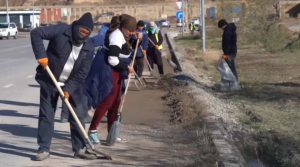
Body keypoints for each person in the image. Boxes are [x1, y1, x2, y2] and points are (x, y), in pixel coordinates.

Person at [31, 12, 97, 161]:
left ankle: (79, 148)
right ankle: (43, 149)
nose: (83, 35)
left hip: (72, 84)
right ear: (76, 27)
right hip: (50, 80)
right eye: (81, 31)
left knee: (78, 115)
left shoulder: (88, 46)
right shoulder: (61, 30)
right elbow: (36, 33)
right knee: (46, 116)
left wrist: (68, 89)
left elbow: (83, 72)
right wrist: (41, 55)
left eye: (87, 33)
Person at [84, 14, 142, 144]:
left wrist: (138, 39)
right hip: (108, 69)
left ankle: (112, 132)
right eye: (129, 31)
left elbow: (131, 48)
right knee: (107, 101)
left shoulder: (125, 35)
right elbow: (112, 59)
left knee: (116, 101)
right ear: (123, 27)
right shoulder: (116, 36)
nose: (131, 33)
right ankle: (92, 131)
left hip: (117, 71)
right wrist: (127, 67)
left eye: (133, 31)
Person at [60, 16, 121, 123]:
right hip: (85, 65)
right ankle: (71, 115)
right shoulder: (104, 35)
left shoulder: (110, 35)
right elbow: (89, 45)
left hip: (86, 65)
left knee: (72, 89)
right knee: (77, 90)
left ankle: (70, 114)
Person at [218, 19, 240, 91]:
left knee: (230, 68)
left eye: (220, 27)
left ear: (223, 25)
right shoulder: (231, 29)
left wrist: (225, 54)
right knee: (231, 67)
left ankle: (233, 83)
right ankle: (234, 82)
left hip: (229, 52)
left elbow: (227, 44)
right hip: (233, 51)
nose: (221, 29)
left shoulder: (227, 31)